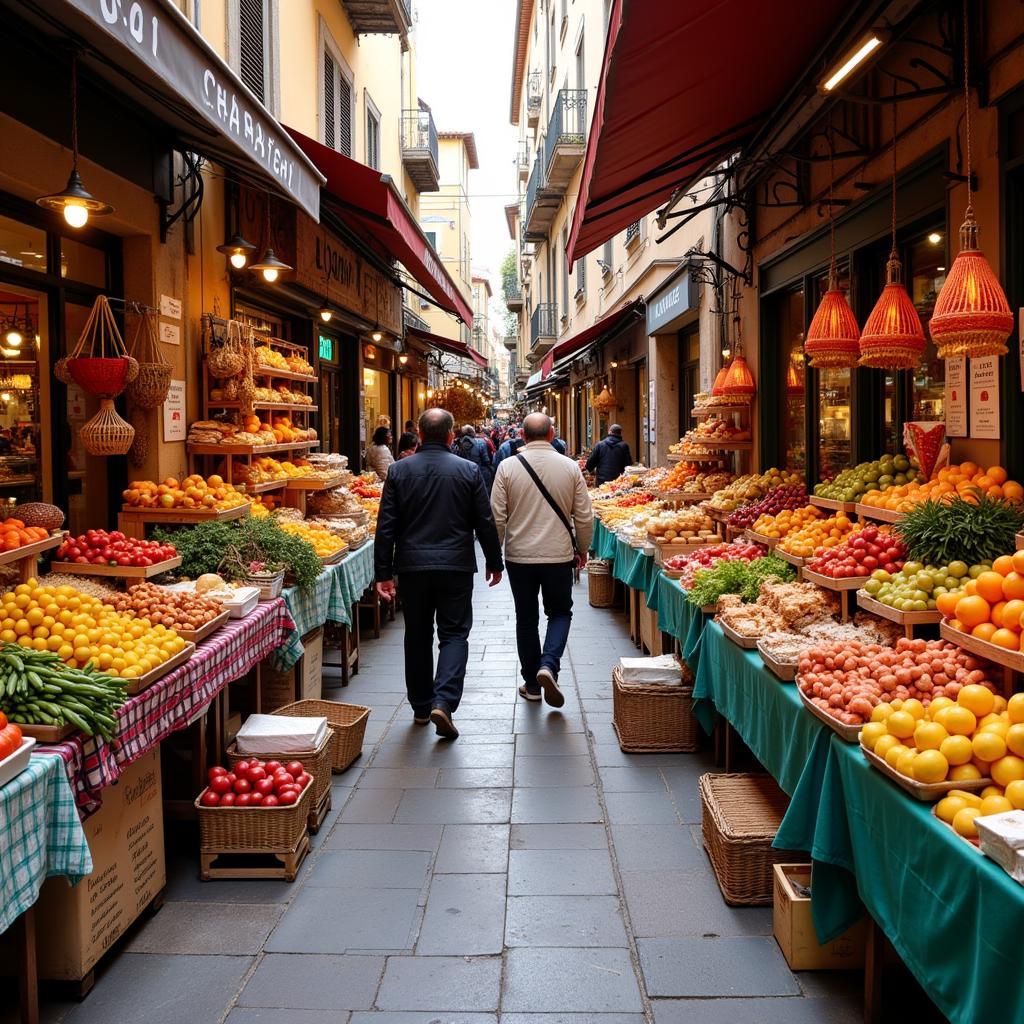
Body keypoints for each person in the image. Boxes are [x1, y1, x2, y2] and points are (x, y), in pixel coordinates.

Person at [375, 408, 504, 739]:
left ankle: (421, 705)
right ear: (451, 436)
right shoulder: (469, 470)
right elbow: (484, 520)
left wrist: (383, 573)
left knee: (417, 634)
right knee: (454, 633)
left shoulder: (398, 471)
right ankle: (443, 701)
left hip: (413, 567)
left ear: (419, 434)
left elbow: (385, 527)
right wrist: (494, 559)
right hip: (456, 566)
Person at [491, 412, 593, 706]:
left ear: (522, 436)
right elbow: (584, 516)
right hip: (558, 555)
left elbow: (497, 517)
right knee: (560, 612)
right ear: (552, 435)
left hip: (519, 556)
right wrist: (583, 548)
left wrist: (494, 556)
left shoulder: (507, 467)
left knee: (526, 619)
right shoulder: (570, 467)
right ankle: (549, 664)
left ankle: (531, 684)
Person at [494, 425, 565, 466]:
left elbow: (497, 472)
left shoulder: (507, 447)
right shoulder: (560, 445)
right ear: (551, 434)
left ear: (522, 434)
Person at [455, 425, 494, 490]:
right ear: (473, 433)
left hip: (463, 475)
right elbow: (486, 460)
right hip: (480, 473)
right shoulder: (481, 442)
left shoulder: (457, 444)